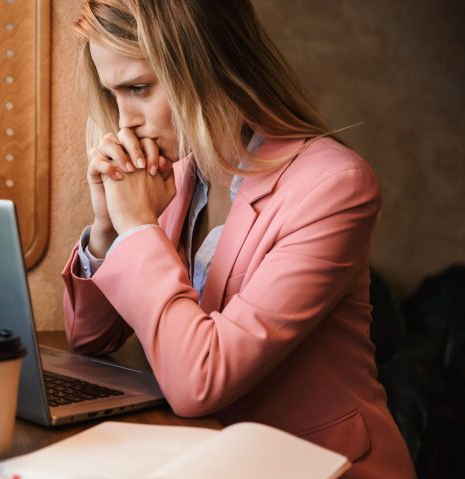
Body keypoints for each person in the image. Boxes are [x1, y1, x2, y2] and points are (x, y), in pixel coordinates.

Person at [61, 1, 416, 477]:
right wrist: (108, 228)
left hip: (317, 468)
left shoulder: (333, 186)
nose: (124, 121)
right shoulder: (178, 173)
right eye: (114, 94)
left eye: (139, 89)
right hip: (205, 456)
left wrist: (139, 229)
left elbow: (198, 382)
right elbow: (91, 338)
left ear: (207, 66)